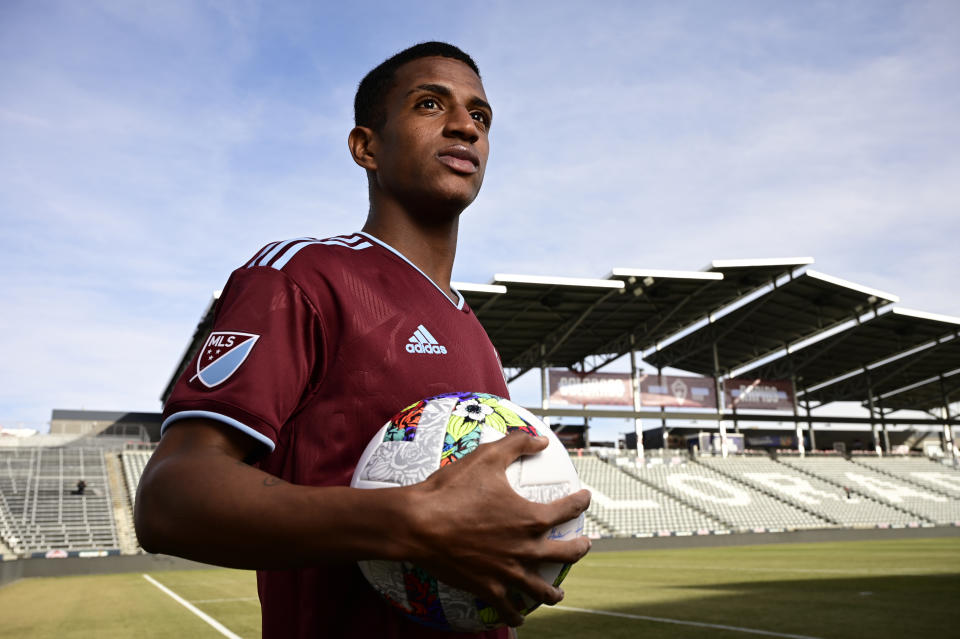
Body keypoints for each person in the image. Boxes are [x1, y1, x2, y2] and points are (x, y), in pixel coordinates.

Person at [135, 42, 591, 639]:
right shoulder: (298, 276)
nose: (464, 127)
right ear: (366, 146)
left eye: (480, 117)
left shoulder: (475, 333)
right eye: (431, 104)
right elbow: (170, 499)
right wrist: (407, 522)